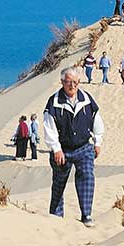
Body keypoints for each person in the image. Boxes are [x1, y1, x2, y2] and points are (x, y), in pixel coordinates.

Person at [43, 67, 105, 228]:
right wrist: (56, 149)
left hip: (84, 147)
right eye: (69, 82)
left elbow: (96, 120)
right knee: (59, 182)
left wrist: (97, 142)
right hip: (62, 149)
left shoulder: (87, 99)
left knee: (87, 177)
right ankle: (56, 217)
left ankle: (86, 214)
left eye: (75, 82)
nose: (72, 86)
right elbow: (49, 128)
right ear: (62, 82)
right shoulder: (54, 102)